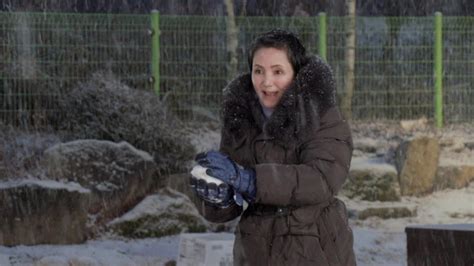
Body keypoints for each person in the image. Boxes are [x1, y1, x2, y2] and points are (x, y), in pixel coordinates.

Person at [190, 29, 356, 265]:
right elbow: (229, 202)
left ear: (296, 74)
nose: (266, 82)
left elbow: (322, 179)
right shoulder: (241, 119)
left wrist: (251, 180)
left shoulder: (322, 114)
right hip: (255, 250)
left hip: (314, 248)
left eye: (278, 71)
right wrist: (221, 199)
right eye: (259, 71)